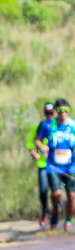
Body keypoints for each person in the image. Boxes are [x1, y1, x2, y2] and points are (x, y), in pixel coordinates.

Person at [45, 97, 75, 231]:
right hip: (53, 166)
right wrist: (40, 147)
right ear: (56, 111)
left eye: (66, 110)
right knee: (56, 193)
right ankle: (56, 212)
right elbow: (38, 140)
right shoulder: (49, 125)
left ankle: (68, 219)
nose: (63, 112)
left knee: (71, 195)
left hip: (71, 166)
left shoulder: (73, 126)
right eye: (60, 110)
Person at [29, 102, 55, 227]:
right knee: (44, 190)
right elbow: (31, 141)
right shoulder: (41, 125)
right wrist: (33, 151)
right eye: (47, 113)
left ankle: (57, 213)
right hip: (43, 164)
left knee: (57, 191)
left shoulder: (60, 126)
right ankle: (45, 212)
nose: (49, 115)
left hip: (57, 165)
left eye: (51, 112)